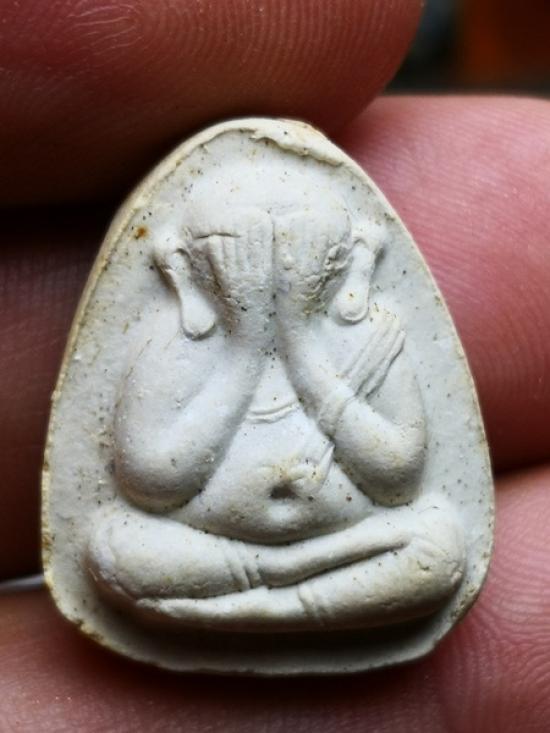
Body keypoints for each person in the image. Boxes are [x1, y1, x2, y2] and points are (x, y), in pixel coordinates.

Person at [1, 1, 549, 730]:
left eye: (298, 254)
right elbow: (151, 481)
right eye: (245, 255)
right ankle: (282, 586)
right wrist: (244, 346)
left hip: (345, 543)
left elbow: (397, 474)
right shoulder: (175, 340)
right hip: (204, 550)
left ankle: (268, 596)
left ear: (339, 263)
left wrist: (299, 346)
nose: (273, 272)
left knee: (437, 544)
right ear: (196, 268)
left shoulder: (370, 330)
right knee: (112, 546)